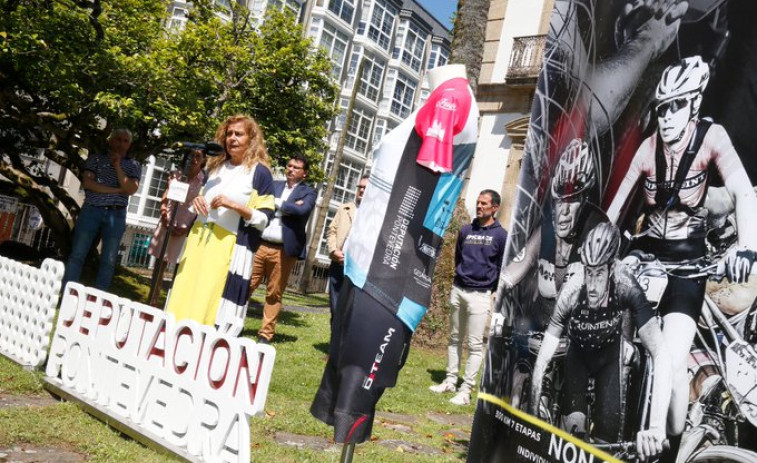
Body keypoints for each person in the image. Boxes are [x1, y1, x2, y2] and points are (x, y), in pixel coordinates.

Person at [606, 55, 757, 461]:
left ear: (694, 104)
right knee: (625, 344)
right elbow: (615, 210)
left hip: (689, 263)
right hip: (647, 257)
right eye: (662, 107)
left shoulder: (713, 138)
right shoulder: (646, 149)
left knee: (672, 364)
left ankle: (666, 441)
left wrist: (747, 246)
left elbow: (743, 192)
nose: (668, 115)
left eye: (678, 105)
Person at [530, 223, 672, 460]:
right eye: (589, 272)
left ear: (612, 268)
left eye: (600, 273)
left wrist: (657, 425)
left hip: (609, 357)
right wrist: (533, 411)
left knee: (607, 440)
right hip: (578, 355)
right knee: (573, 439)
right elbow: (545, 353)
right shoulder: (573, 290)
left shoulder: (627, 285)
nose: (593, 285)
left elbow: (661, 353)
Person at [165, 115, 274, 335]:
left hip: (226, 245)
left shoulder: (260, 173)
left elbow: (264, 219)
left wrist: (234, 205)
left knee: (208, 299)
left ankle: (201, 346)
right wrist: (197, 201)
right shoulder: (215, 167)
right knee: (183, 293)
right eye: (229, 133)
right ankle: (171, 338)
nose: (232, 138)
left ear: (251, 138)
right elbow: (202, 203)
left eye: (239, 134)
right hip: (197, 240)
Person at [429, 189, 508, 406]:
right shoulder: (466, 230)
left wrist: (492, 291)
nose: (479, 206)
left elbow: (502, 266)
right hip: (459, 289)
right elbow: (458, 257)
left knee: (474, 344)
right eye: (478, 202)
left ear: (495, 208)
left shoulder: (501, 236)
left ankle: (465, 390)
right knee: (454, 338)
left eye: (484, 203)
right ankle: (450, 380)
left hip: (481, 295)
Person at [63, 128, 141, 291]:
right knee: (77, 255)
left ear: (130, 145)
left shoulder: (133, 165)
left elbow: (131, 188)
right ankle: (68, 292)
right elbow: (88, 184)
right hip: (92, 210)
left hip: (116, 213)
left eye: (125, 141)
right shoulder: (95, 159)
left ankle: (99, 298)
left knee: (109, 259)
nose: (121, 144)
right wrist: (117, 190)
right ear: (111, 141)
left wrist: (118, 166)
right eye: (118, 139)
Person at [250, 154, 316, 343]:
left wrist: (277, 203)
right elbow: (258, 203)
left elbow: (301, 211)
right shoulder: (274, 185)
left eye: (296, 167)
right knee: (246, 284)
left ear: (305, 173)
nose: (291, 169)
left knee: (274, 292)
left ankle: (265, 334)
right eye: (289, 165)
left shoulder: (309, 192)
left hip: (283, 250)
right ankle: (232, 320)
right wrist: (289, 206)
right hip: (260, 244)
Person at [147, 150, 206, 307]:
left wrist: (188, 229)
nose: (193, 159)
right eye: (191, 155)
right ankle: (153, 299)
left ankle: (172, 303)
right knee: (160, 264)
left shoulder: (205, 181)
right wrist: (164, 213)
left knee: (180, 268)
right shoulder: (176, 175)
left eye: (198, 156)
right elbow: (166, 196)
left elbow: (201, 208)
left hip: (186, 228)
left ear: (203, 160)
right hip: (167, 223)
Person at [326, 174, 368, 323]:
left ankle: (346, 344)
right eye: (360, 187)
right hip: (338, 264)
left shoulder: (374, 216)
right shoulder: (344, 208)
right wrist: (333, 250)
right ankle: (334, 344)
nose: (362, 190)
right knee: (335, 306)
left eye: (365, 188)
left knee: (352, 309)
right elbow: (331, 231)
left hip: (359, 269)